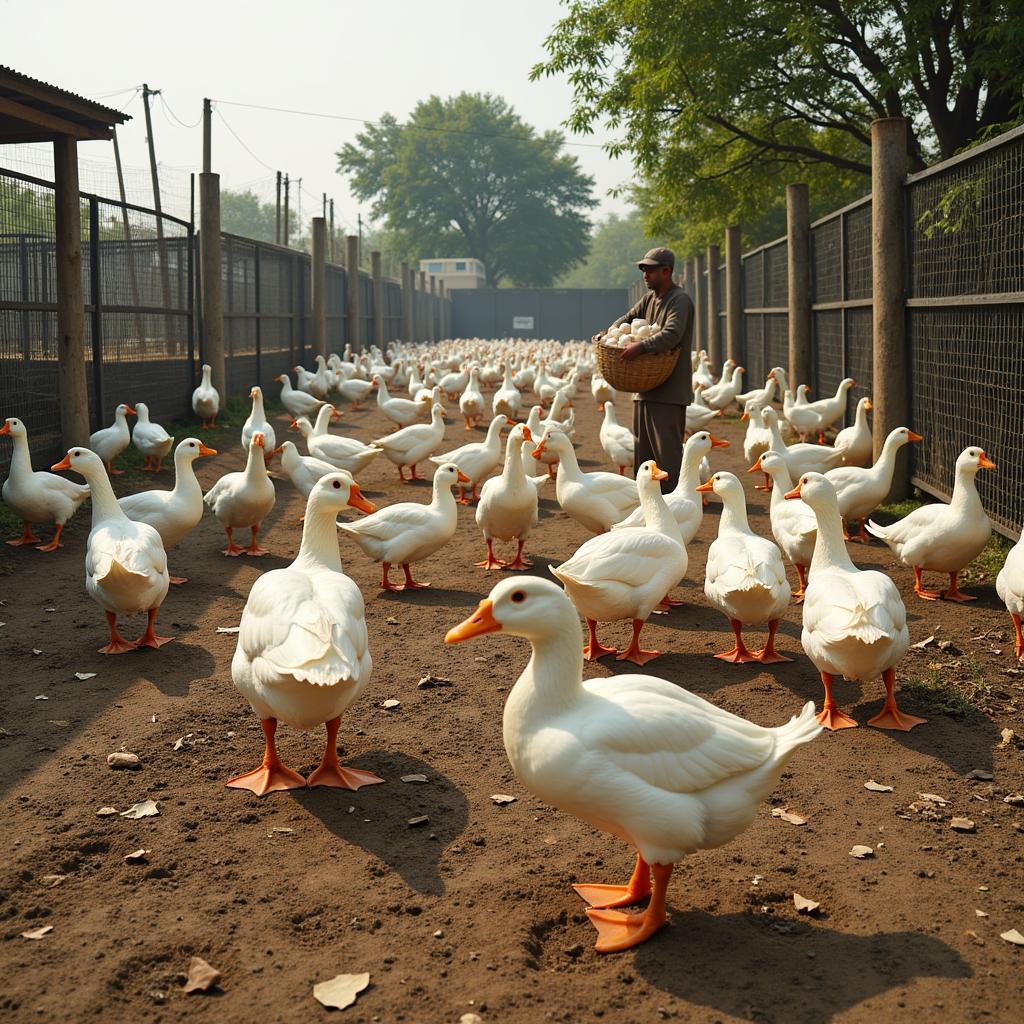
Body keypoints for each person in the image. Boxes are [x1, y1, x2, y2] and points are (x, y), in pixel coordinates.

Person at [600, 247, 694, 491]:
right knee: (644, 452)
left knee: (667, 455)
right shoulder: (649, 300)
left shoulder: (679, 300)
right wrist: (610, 332)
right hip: (645, 389)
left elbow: (672, 334)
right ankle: (647, 501)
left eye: (651, 269)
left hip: (669, 391)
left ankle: (673, 501)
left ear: (667, 271)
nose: (645, 274)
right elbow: (628, 319)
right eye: (643, 269)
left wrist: (640, 347)